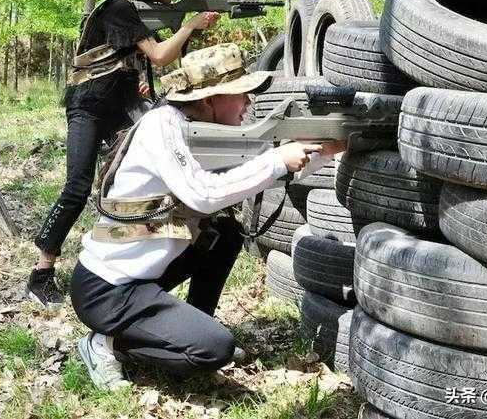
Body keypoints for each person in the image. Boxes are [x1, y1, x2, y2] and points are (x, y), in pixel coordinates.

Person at [69, 43, 346, 390]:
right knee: (215, 349)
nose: (248, 104)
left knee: (225, 233)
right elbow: (204, 194)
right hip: (106, 289)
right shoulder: (162, 126)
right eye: (240, 94)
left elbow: (264, 167)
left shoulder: (201, 128)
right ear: (208, 99)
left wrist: (325, 150)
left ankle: (192, 325)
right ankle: (106, 342)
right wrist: (277, 158)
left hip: (144, 279)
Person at [27, 0, 221, 307]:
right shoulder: (119, 7)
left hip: (120, 109)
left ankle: (127, 259)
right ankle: (41, 273)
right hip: (89, 105)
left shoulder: (141, 12)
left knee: (129, 183)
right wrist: (189, 25)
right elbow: (161, 55)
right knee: (77, 187)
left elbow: (164, 60)